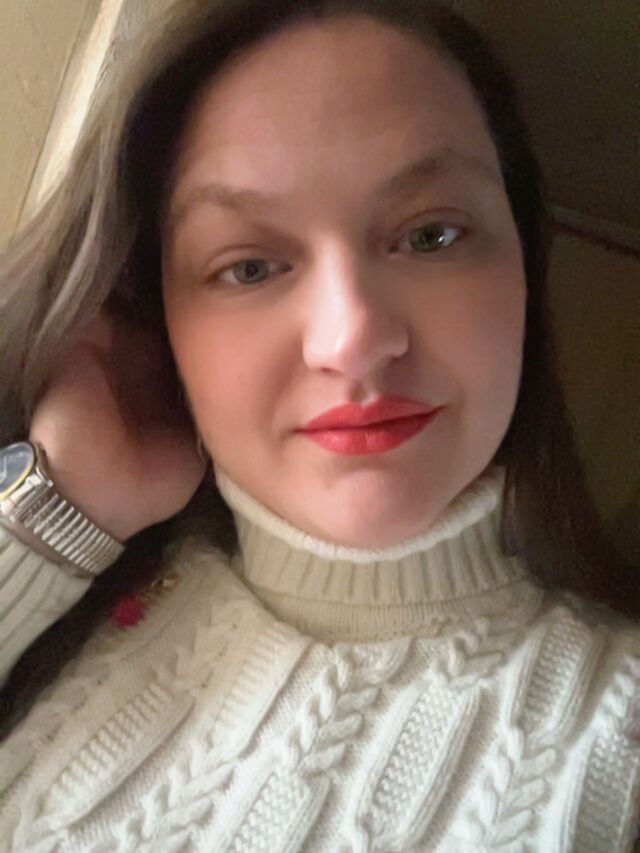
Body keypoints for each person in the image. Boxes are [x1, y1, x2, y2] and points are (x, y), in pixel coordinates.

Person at [0, 0, 638, 849]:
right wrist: (60, 518)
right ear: (159, 315)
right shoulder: (70, 589)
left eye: (431, 235)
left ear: (524, 265)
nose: (353, 340)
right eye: (249, 267)